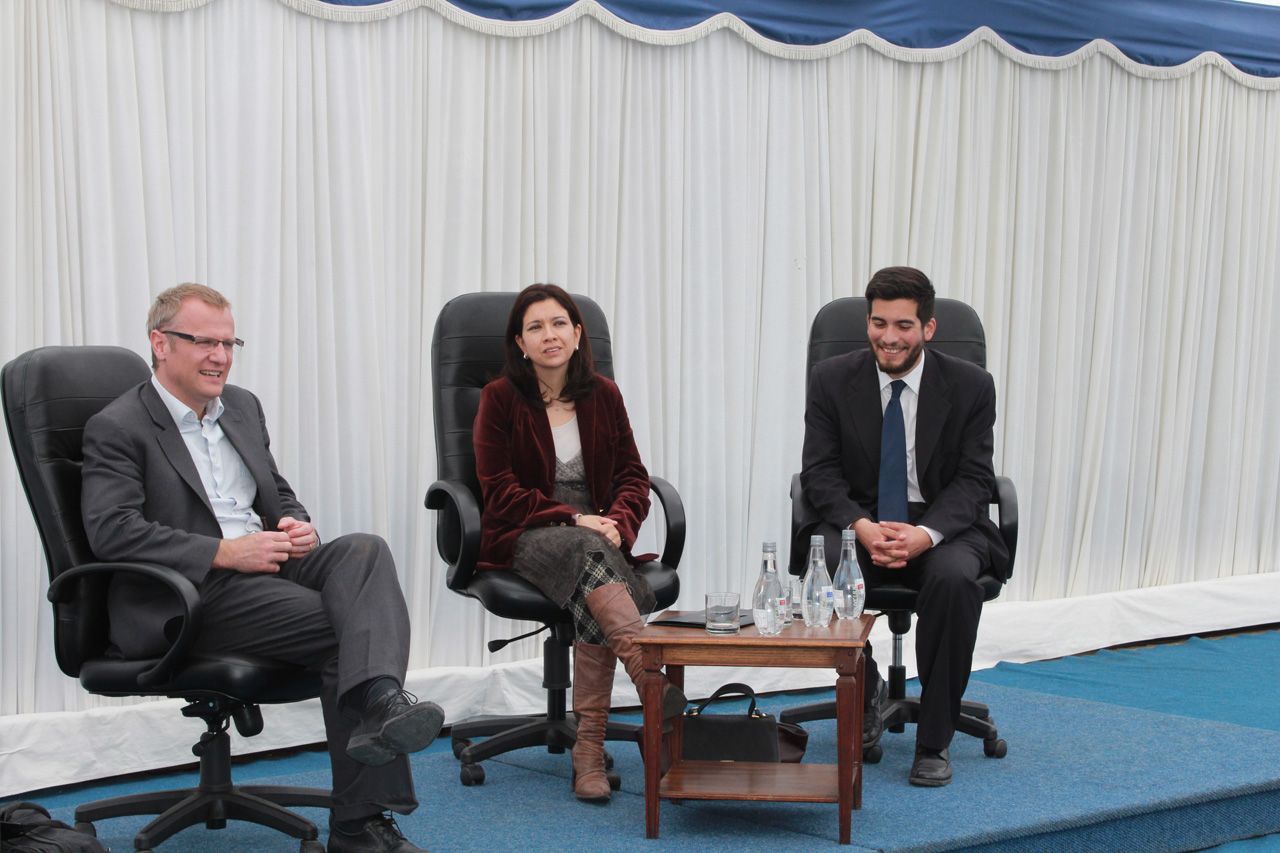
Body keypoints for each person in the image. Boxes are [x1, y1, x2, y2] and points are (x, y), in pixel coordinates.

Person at [80, 283, 442, 853]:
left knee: (364, 550)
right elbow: (112, 531)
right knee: (351, 631)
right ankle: (360, 822)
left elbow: (276, 491)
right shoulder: (118, 425)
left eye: (229, 343)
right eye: (204, 342)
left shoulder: (242, 407)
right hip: (191, 592)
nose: (220, 356)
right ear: (160, 343)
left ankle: (378, 704)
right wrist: (225, 552)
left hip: (265, 566)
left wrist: (299, 526)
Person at [472, 283, 685, 803]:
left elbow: (633, 476)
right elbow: (498, 490)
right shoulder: (500, 398)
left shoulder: (603, 394)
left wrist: (618, 523)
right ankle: (647, 678)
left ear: (577, 332)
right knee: (589, 555)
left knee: (593, 570)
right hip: (525, 534)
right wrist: (573, 518)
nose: (549, 335)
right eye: (535, 327)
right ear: (520, 342)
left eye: (558, 324)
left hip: (598, 539)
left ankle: (588, 749)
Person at [797, 267, 1010, 787]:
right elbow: (819, 473)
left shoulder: (972, 386)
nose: (888, 337)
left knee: (954, 579)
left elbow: (974, 479)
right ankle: (866, 689)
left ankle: (934, 741)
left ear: (928, 328)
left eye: (903, 325)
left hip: (943, 523)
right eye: (878, 323)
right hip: (861, 518)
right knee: (830, 564)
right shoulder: (831, 379)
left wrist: (925, 535)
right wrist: (862, 527)